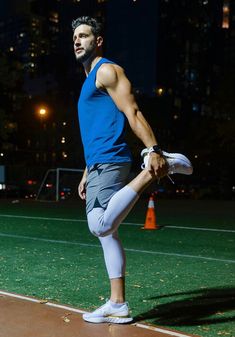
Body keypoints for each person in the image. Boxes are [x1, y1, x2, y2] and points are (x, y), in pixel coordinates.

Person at [72, 16, 193, 324]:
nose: (77, 40)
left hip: (112, 159)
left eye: (84, 35)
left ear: (98, 41)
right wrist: (87, 170)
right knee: (106, 235)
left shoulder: (108, 71)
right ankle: (118, 303)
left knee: (99, 225)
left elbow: (132, 111)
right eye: (75, 36)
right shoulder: (88, 81)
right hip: (98, 163)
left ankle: (159, 167)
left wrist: (152, 149)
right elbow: (96, 128)